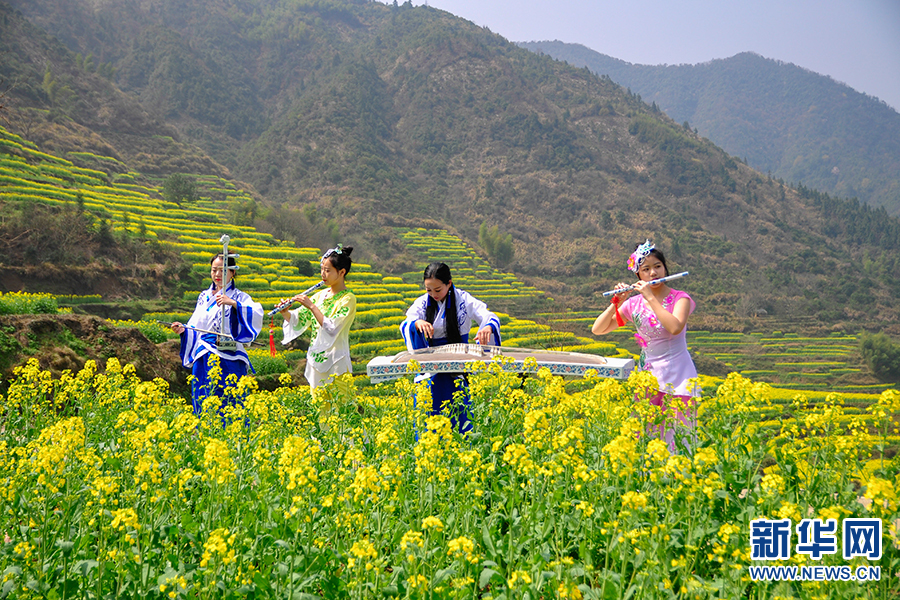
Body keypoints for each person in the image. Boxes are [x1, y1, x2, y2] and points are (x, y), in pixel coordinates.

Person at [591, 240, 698, 453]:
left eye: (657, 266)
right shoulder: (634, 304)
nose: (653, 273)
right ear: (638, 276)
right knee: (644, 435)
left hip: (677, 375)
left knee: (678, 436)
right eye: (646, 269)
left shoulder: (681, 299)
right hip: (647, 376)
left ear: (665, 268)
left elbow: (675, 327)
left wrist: (650, 296)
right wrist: (617, 302)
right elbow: (598, 329)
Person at [400, 262, 501, 433]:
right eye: (428, 290)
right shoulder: (423, 303)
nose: (433, 295)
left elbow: (488, 315)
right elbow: (407, 321)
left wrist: (487, 327)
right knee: (429, 416)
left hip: (459, 365)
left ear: (449, 283)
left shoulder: (464, 300)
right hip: (430, 367)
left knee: (460, 415)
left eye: (438, 290)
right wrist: (417, 323)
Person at [172, 253, 264, 416]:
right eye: (214, 270)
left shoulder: (241, 296)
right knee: (204, 397)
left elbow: (256, 313)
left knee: (231, 401)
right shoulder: (204, 296)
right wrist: (183, 330)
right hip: (205, 355)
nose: (217, 275)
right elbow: (196, 325)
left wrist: (234, 304)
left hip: (231, 356)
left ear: (233, 272)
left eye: (223, 271)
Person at [281, 244, 357, 390]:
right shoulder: (319, 296)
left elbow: (332, 328)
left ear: (341, 272)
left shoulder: (348, 299)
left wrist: (311, 306)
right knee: (318, 408)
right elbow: (299, 320)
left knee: (339, 408)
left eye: (327, 270)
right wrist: (285, 312)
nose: (323, 274)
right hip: (316, 361)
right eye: (322, 269)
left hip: (337, 362)